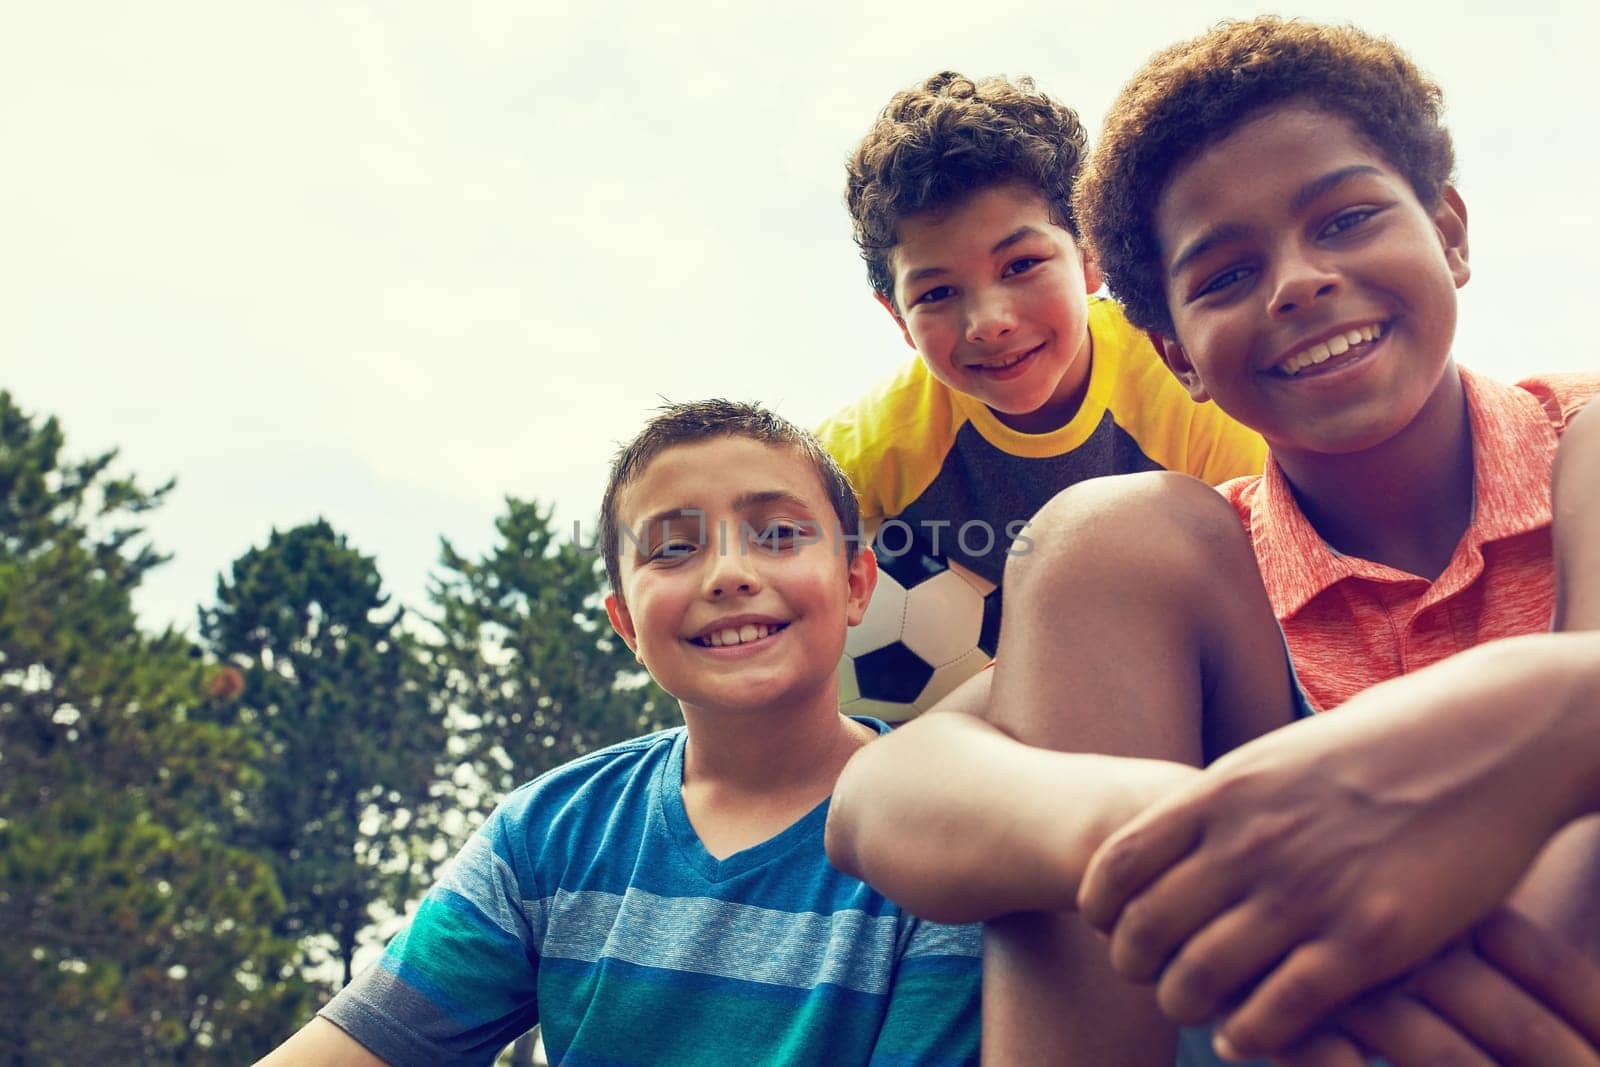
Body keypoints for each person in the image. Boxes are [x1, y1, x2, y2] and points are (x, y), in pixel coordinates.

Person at [826, 17, 1600, 1065]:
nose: (1294, 281)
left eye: (1348, 216)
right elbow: (880, 794)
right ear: (1173, 351)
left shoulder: (1579, 445)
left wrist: (1547, 710)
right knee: (1101, 537)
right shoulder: (1179, 553)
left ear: (1450, 232)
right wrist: (1206, 831)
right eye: (1223, 275)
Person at [256, 400, 981, 1067]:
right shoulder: (549, 833)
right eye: (671, 548)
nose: (729, 572)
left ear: (857, 583)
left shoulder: (937, 837)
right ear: (627, 623)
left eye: (779, 534)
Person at [814, 72, 1264, 714]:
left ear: (1089, 257)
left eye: (1020, 266)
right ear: (897, 317)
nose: (988, 321)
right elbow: (758, 558)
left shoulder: (1184, 390)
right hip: (959, 739)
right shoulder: (872, 448)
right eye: (937, 293)